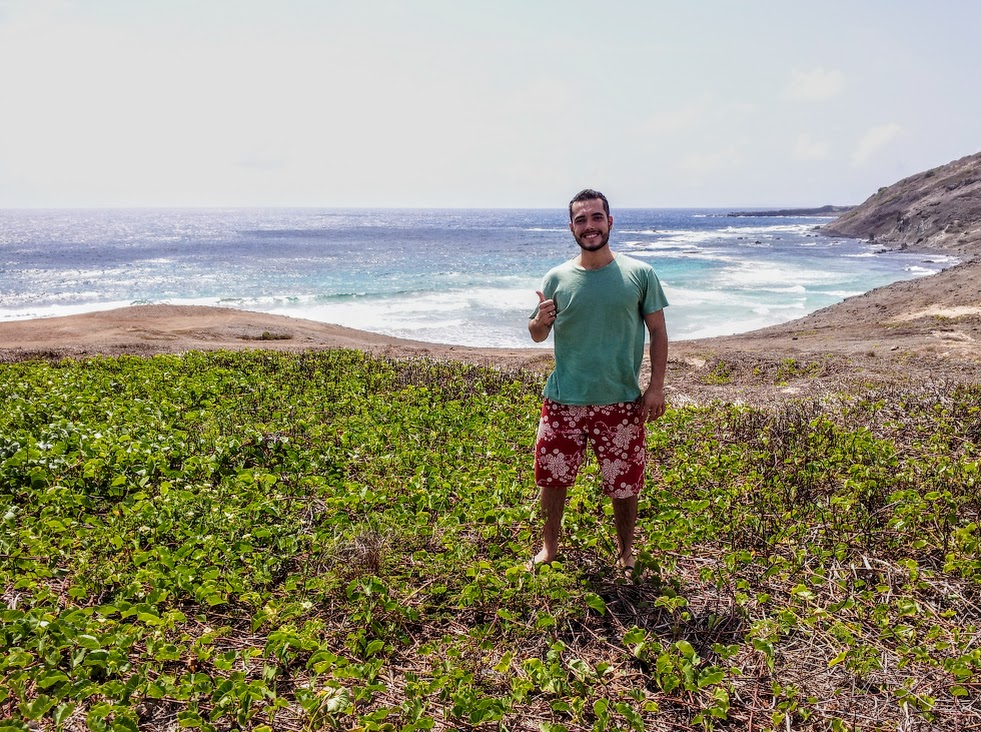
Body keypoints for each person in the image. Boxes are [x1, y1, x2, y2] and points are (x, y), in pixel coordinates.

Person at [528, 188, 668, 574]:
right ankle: (550, 549)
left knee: (625, 486)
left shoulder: (639, 274)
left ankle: (625, 554)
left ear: (610, 221)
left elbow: (657, 331)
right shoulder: (556, 277)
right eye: (581, 220)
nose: (589, 226)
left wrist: (655, 388)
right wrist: (540, 322)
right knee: (552, 479)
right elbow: (537, 332)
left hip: (621, 400)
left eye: (596, 217)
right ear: (571, 227)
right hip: (563, 400)